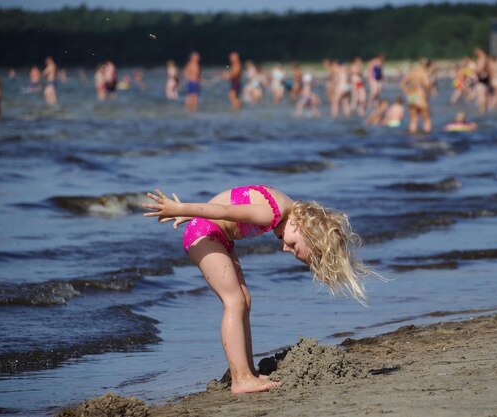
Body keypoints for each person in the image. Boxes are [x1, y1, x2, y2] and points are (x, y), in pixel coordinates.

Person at [142, 185, 373, 394]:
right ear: (308, 228)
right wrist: (181, 208)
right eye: (291, 244)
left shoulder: (288, 209)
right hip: (204, 233)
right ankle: (240, 379)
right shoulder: (272, 213)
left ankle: (247, 371)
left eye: (288, 245)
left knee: (244, 299)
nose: (284, 247)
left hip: (213, 233)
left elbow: (226, 205)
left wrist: (191, 214)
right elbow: (224, 211)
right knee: (234, 301)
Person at [400, 58, 433, 134]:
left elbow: (402, 84)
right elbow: (427, 84)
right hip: (420, 95)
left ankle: (412, 137)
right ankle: (427, 138)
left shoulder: (412, 71)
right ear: (427, 65)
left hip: (412, 96)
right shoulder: (424, 72)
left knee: (413, 119)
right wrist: (431, 82)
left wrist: (407, 93)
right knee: (427, 119)